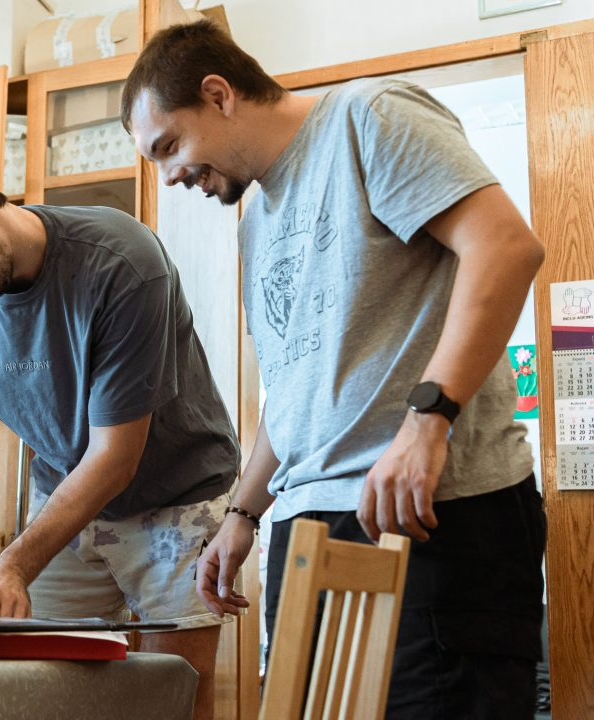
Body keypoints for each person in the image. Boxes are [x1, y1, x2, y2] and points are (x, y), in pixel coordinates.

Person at [122, 20, 547, 719]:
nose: (169, 175)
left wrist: (427, 422)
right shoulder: (257, 214)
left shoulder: (368, 117)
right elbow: (292, 391)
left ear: (218, 94)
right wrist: (242, 516)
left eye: (169, 146)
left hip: (431, 514)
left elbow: (505, 248)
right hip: (308, 524)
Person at [0, 145, 245, 720]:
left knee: (174, 697)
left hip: (179, 496)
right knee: (43, 691)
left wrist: (15, 563)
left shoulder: (120, 261)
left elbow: (114, 457)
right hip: (68, 503)